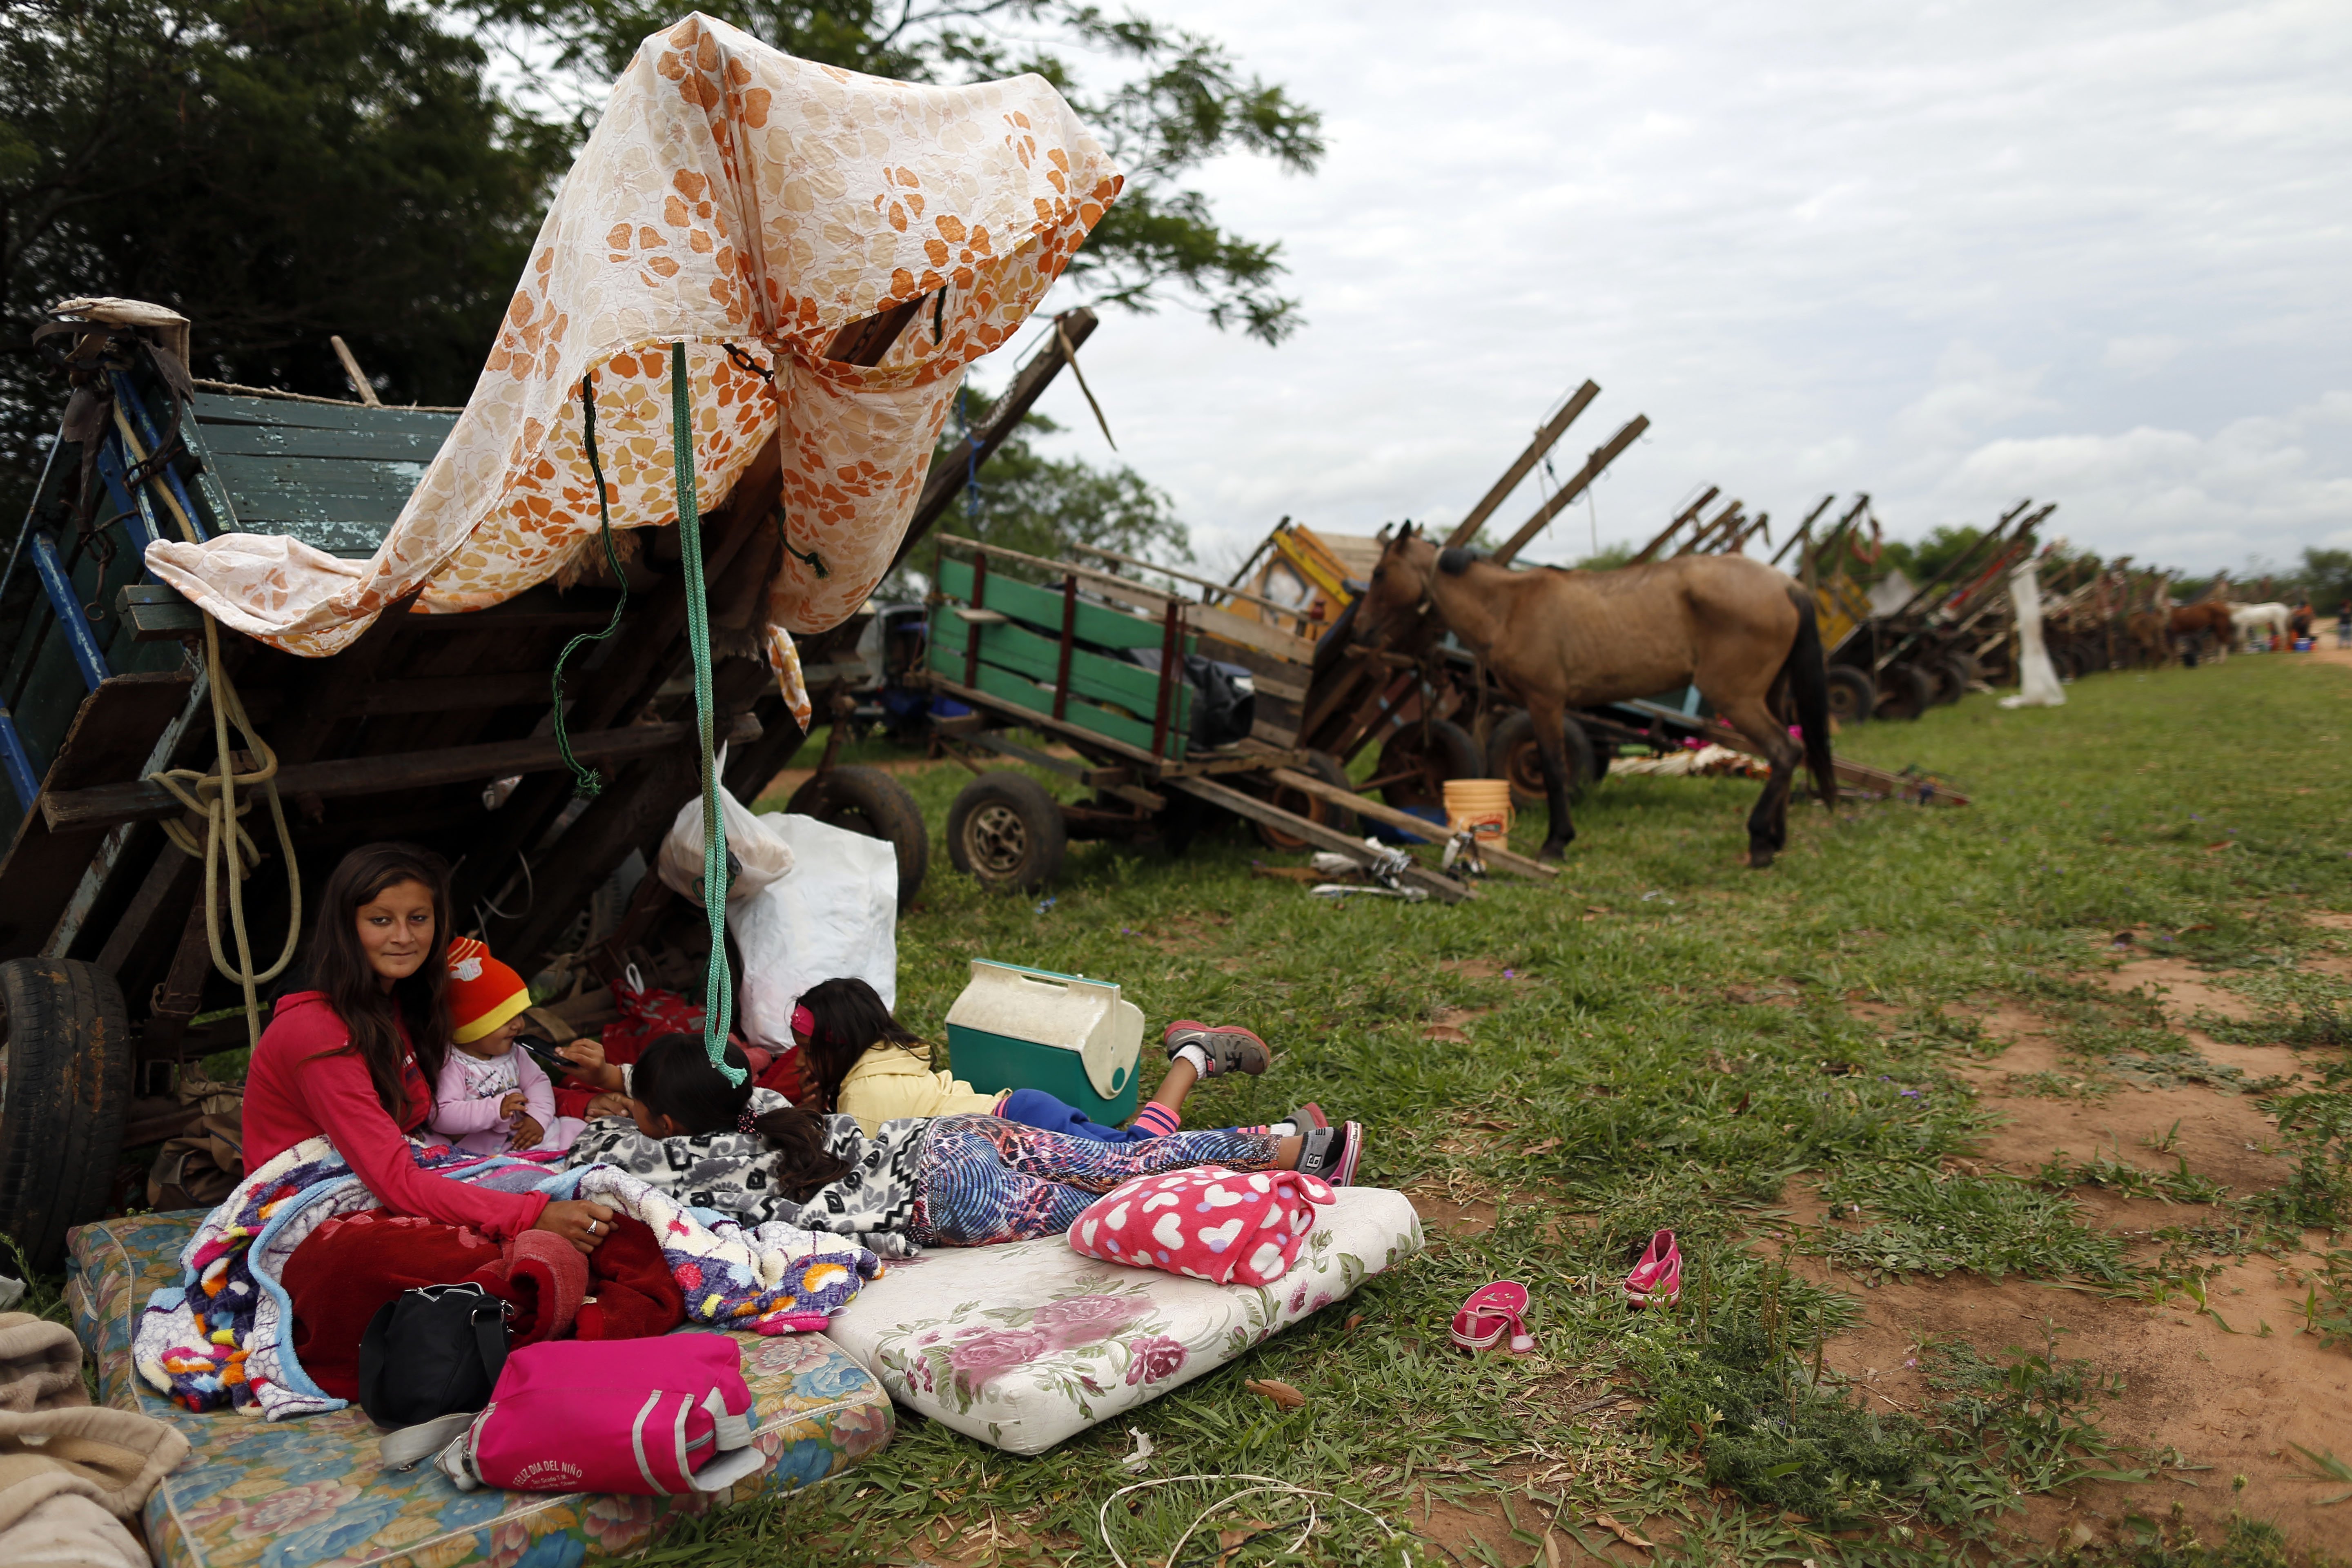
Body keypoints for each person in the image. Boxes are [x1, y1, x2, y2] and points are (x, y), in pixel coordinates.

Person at [562, 1034, 1363, 1252]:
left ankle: (1275, 1189)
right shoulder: (764, 1104)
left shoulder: (667, 1161)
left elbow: (588, 1171)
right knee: (1128, 1163)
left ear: (664, 1124)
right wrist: (628, 1077)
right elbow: (712, 1082)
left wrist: (602, 1116)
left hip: (945, 1199)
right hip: (950, 1139)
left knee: (1121, 1209)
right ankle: (1301, 1146)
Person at [238, 842, 615, 1255]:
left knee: (600, 1186)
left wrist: (577, 1106)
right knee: (482, 1253)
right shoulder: (317, 1030)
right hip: (304, 1197)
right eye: (381, 920)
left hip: (396, 1169)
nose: (403, 937)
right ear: (346, 927)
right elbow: (395, 1180)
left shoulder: (404, 997)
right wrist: (530, 1215)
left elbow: (478, 1080)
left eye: (418, 919)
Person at [787, 976, 1324, 1143]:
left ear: (836, 1047)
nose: (803, 1065)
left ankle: (1194, 1062)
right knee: (1140, 1159)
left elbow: (861, 1164)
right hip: (1019, 1115)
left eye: (810, 1053)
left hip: (1019, 1130)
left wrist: (822, 1118)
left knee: (1141, 1164)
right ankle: (1273, 1132)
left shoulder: (862, 1095)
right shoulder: (879, 1064)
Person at [428, 938, 584, 1156]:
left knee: (578, 1133)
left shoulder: (514, 1052)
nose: (519, 1026)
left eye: (519, 1015)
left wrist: (537, 1119)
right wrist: (495, 1110)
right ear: (470, 1026)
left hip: (523, 1134)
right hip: (482, 1147)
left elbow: (538, 1083)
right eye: (505, 1019)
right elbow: (442, 1115)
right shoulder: (453, 1063)